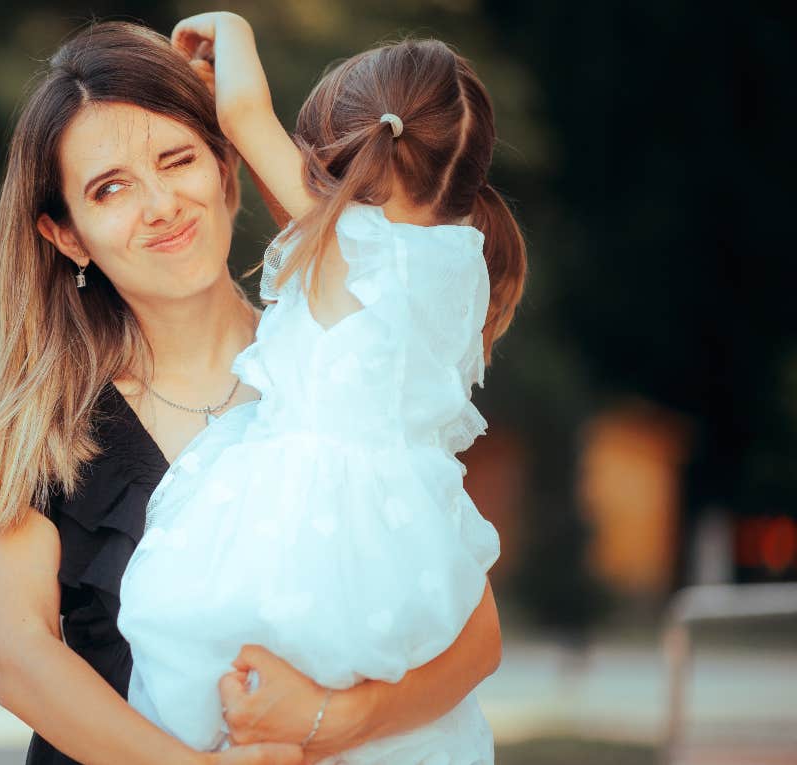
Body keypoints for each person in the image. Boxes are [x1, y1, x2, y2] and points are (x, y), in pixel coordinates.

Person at [0, 20, 504, 765]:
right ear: (68, 235)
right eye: (111, 189)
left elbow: (476, 632)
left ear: (227, 167)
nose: (161, 204)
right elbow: (23, 662)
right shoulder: (32, 414)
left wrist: (337, 719)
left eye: (178, 160)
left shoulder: (339, 362)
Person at [118, 13, 528, 764]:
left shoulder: (349, 244)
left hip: (303, 526)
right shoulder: (463, 265)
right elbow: (321, 241)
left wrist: (231, 30)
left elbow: (246, 113)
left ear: (336, 161)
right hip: (401, 535)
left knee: (211, 676)